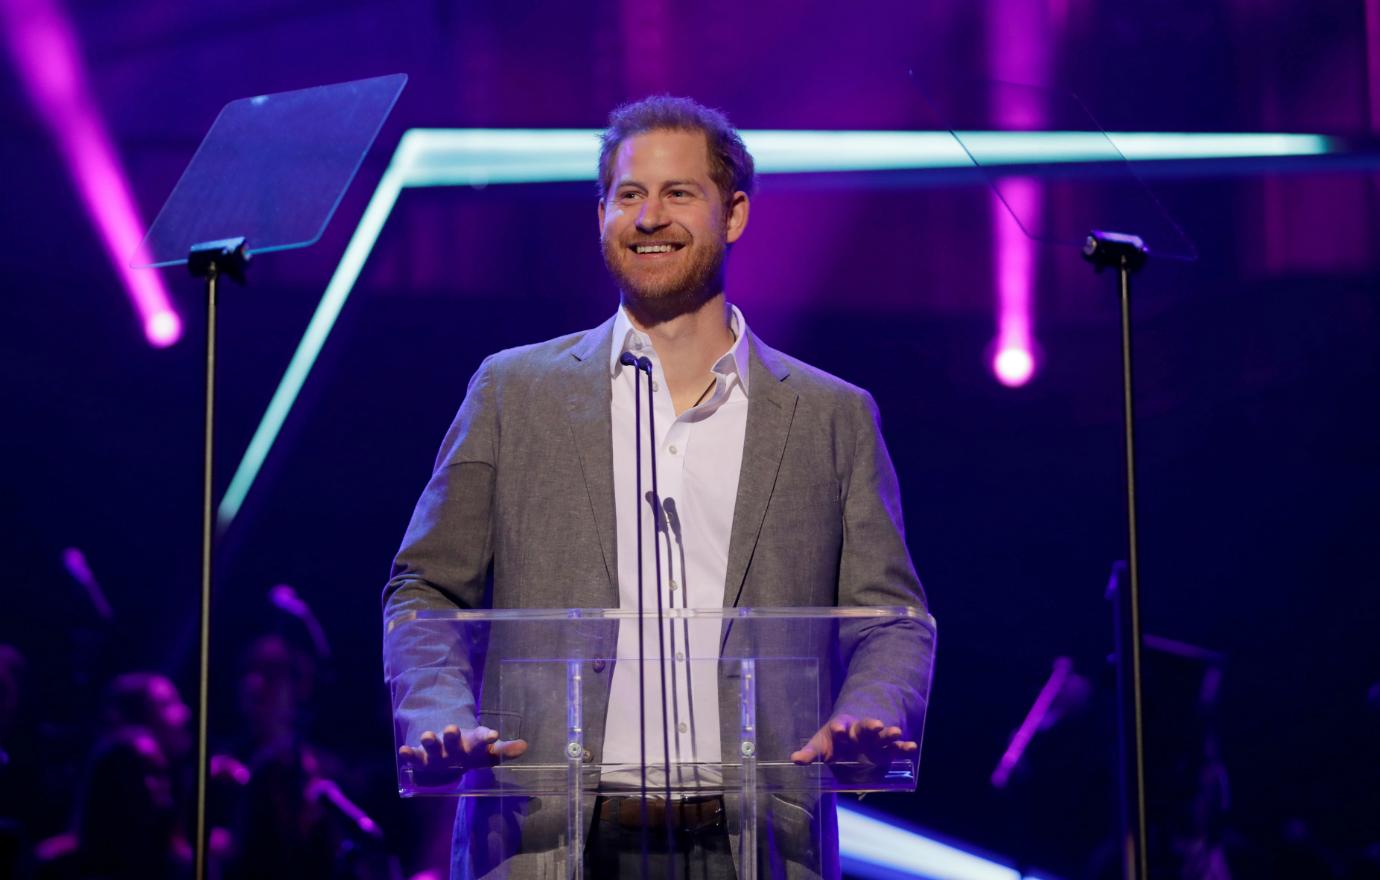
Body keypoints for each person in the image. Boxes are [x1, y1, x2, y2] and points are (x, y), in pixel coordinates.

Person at [383, 95, 933, 880]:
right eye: (629, 195)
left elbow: (892, 619)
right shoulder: (513, 391)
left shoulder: (831, 416)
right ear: (600, 213)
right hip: (552, 840)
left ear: (734, 213)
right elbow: (425, 588)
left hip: (754, 842)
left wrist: (869, 712)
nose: (650, 218)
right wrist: (437, 713)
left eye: (679, 194)